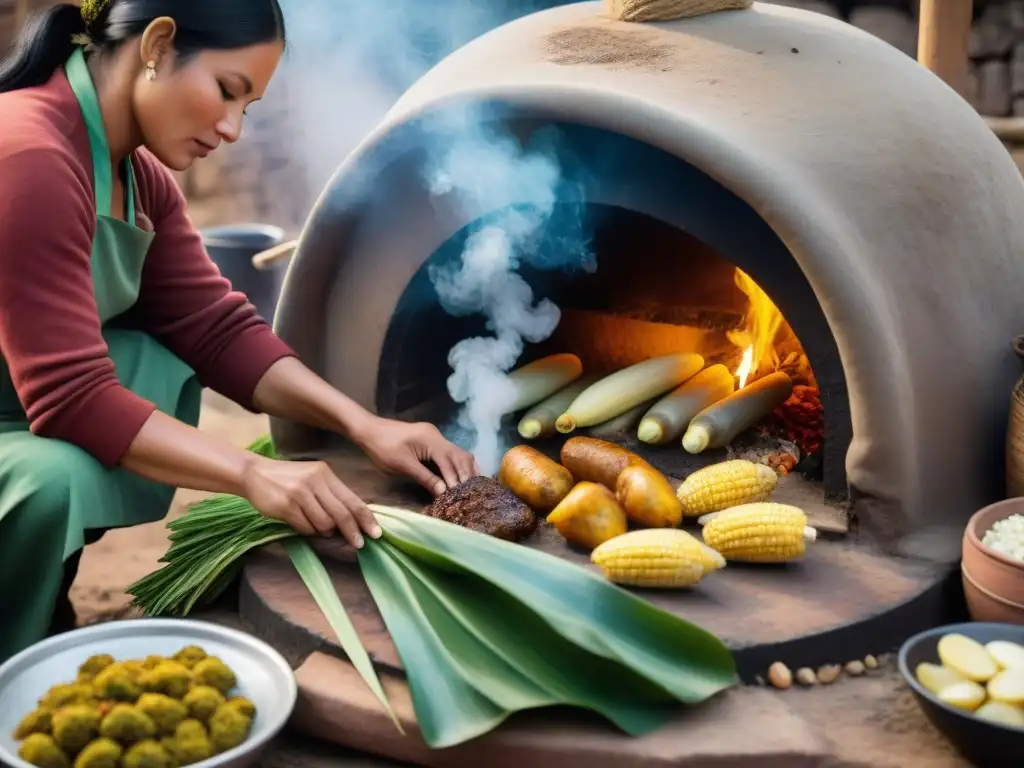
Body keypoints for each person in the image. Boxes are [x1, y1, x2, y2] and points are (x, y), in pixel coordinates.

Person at [0, 0, 479, 663]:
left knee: (151, 361)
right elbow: (72, 396)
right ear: (158, 44)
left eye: (248, 108)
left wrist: (362, 424)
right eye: (227, 91)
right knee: (57, 475)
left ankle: (42, 600)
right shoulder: (29, 151)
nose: (231, 130)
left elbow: (217, 330)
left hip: (19, 405)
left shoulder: (139, 178)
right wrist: (254, 475)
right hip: (29, 418)